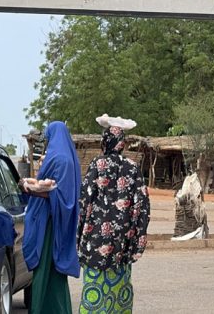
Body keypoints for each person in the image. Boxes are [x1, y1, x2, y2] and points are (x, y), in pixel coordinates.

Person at [76, 114, 150, 314]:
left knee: (94, 287)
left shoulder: (97, 165)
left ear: (105, 142)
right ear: (122, 144)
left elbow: (84, 202)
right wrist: (137, 242)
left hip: (95, 239)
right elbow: (142, 206)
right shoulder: (133, 168)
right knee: (119, 287)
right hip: (122, 241)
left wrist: (79, 237)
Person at [20, 121, 81, 313]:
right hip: (49, 221)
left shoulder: (61, 160)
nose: (47, 141)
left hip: (49, 225)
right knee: (51, 273)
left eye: (48, 137)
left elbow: (64, 197)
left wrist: (33, 190)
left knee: (45, 270)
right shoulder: (63, 157)